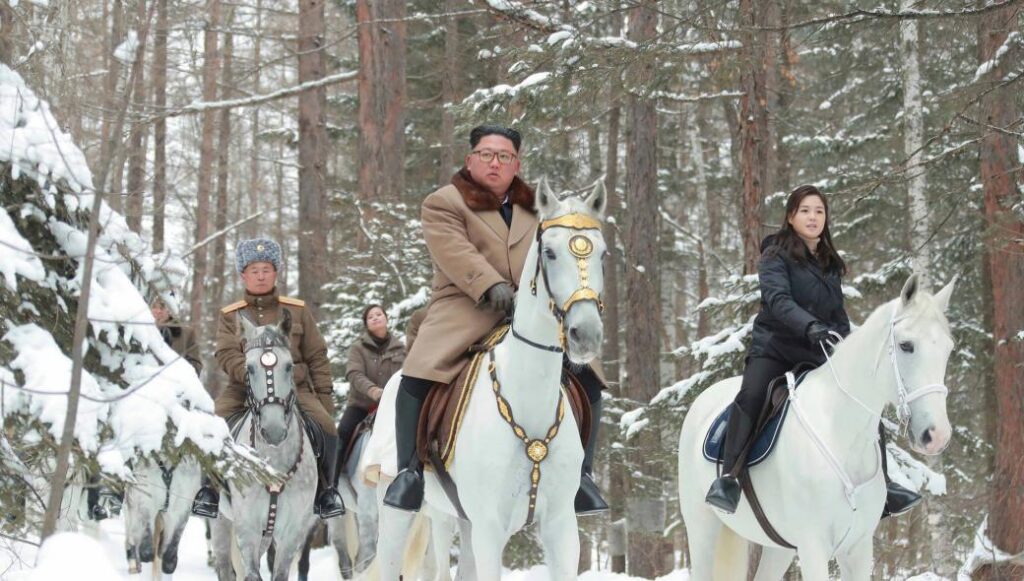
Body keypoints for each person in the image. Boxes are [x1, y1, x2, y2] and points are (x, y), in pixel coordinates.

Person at [383, 124, 608, 515]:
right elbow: (453, 251)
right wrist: (489, 284)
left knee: (590, 378)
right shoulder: (444, 202)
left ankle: (582, 477)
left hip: (531, 310)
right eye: (486, 154)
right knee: (418, 374)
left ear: (516, 164)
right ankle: (409, 474)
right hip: (465, 306)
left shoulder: (538, 207)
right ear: (470, 160)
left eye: (504, 156)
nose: (495, 162)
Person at [704, 185, 921, 518]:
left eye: (819, 211)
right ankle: (729, 478)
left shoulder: (829, 262)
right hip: (776, 348)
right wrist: (809, 326)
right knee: (751, 395)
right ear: (791, 217)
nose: (813, 217)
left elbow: (837, 314)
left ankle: (885, 485)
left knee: (863, 398)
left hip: (819, 351)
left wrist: (848, 345)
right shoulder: (774, 255)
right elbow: (778, 302)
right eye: (805, 210)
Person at [190, 238, 345, 519]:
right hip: (244, 387)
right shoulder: (231, 315)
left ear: (276, 273)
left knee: (327, 427)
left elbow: (317, 354)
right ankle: (209, 491)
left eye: (266, 269)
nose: (260, 275)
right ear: (243, 275)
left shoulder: (297, 310)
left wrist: (324, 397)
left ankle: (327, 491)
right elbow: (225, 353)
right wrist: (252, 375)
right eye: (254, 270)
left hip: (294, 388)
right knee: (213, 426)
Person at [338, 305, 406, 463]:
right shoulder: (358, 348)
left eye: (379, 314)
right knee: (343, 433)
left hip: (392, 405)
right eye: (370, 317)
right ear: (366, 324)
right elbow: (354, 374)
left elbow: (407, 374)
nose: (375, 318)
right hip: (361, 405)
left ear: (386, 318)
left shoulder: (401, 349)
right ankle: (332, 481)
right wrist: (373, 391)